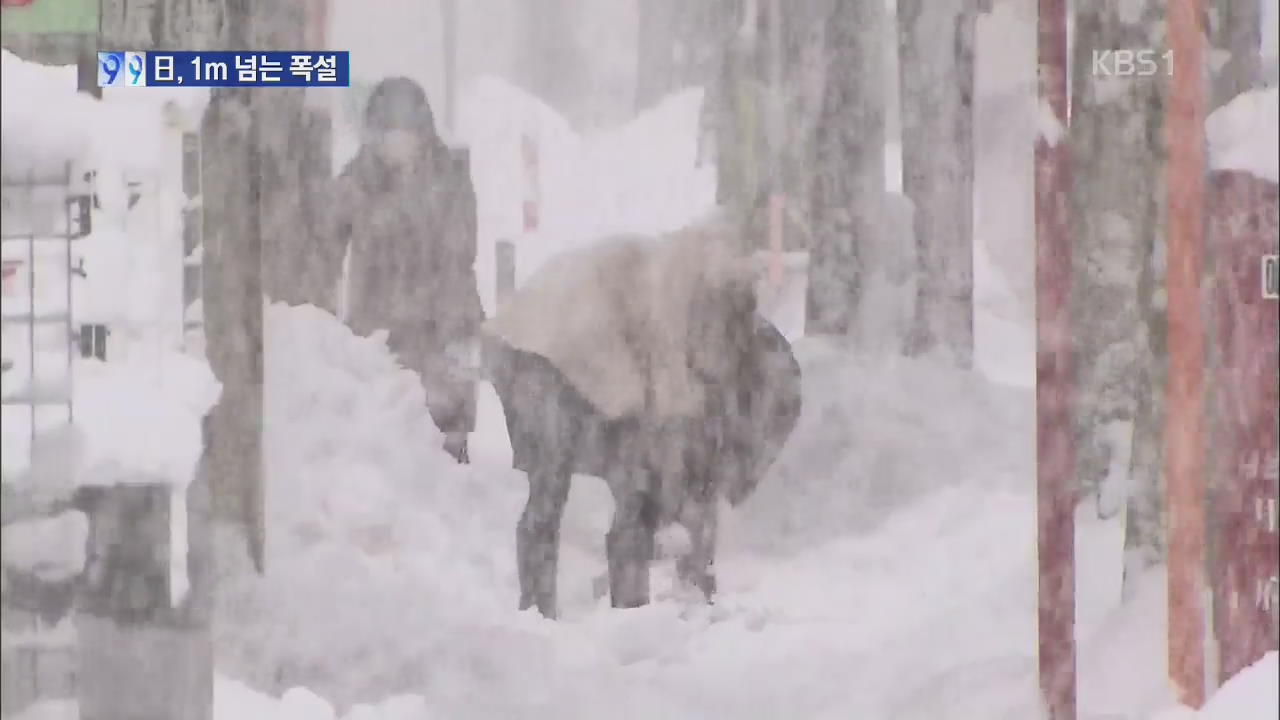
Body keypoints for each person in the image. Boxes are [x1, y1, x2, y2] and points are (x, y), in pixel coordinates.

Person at [481, 214, 803, 618]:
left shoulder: (693, 288)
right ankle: (566, 611)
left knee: (613, 478)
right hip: (538, 349)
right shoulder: (676, 302)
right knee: (573, 479)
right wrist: (681, 495)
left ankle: (612, 603)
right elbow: (664, 409)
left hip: (552, 341)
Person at [313, 77, 483, 463]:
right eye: (388, 133)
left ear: (423, 133)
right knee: (379, 442)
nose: (397, 143)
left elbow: (460, 249)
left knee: (445, 439)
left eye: (406, 132)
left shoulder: (449, 176)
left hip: (442, 327)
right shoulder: (358, 179)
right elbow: (325, 240)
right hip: (378, 332)